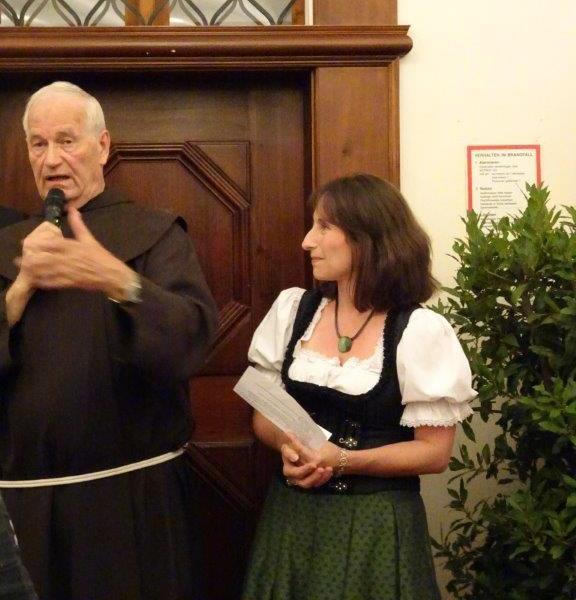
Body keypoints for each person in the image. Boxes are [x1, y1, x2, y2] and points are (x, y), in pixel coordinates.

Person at [0, 81, 218, 600]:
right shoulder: (8, 246)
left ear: (102, 146)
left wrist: (118, 280)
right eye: (38, 143)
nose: (51, 159)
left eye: (66, 140)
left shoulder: (156, 234)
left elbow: (191, 341)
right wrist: (22, 287)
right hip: (21, 511)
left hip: (130, 506)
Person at [242, 173, 476, 600]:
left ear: (367, 239)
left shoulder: (419, 331)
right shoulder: (293, 310)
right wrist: (289, 447)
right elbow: (263, 414)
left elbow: (434, 452)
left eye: (323, 227)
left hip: (377, 525)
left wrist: (344, 460)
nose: (307, 242)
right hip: (292, 517)